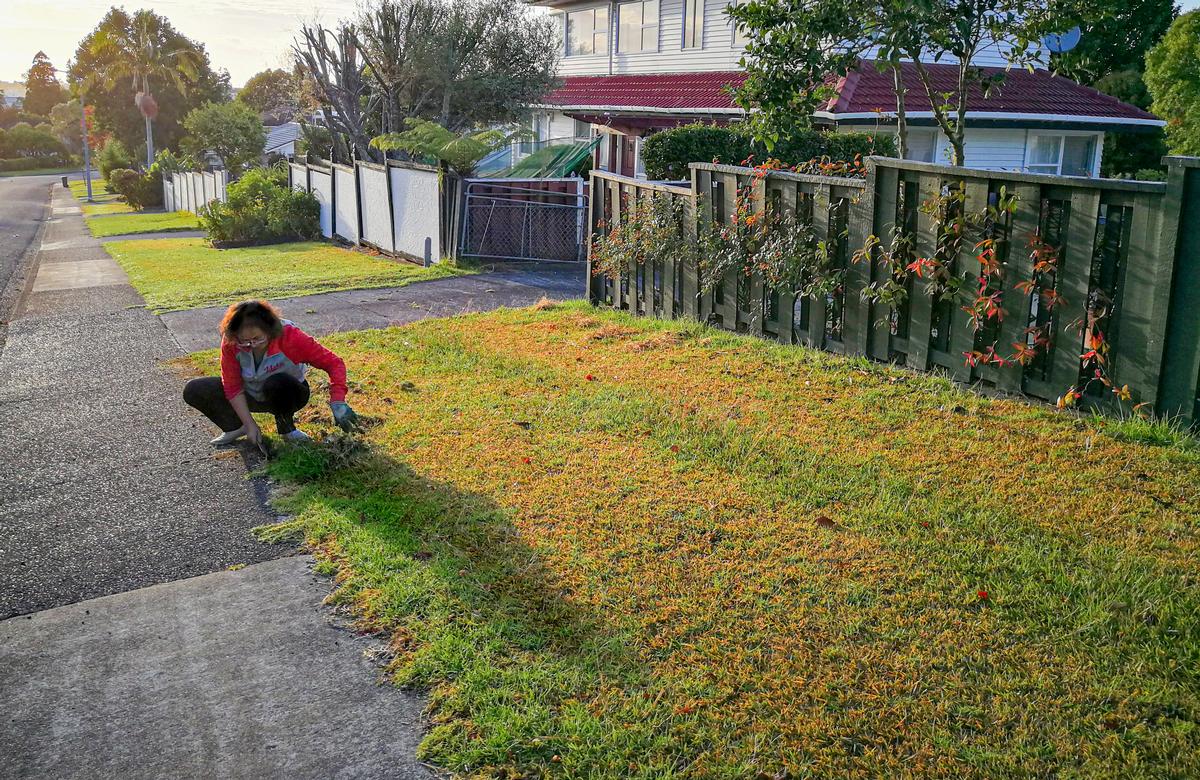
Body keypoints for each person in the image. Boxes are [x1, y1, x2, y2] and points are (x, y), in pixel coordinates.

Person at [183, 300, 358, 447]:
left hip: (287, 393)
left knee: (278, 382)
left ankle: (287, 429)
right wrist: (249, 424)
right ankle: (236, 427)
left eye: (257, 339)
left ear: (270, 331)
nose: (250, 345)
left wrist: (337, 400)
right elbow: (232, 386)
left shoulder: (290, 336)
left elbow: (334, 363)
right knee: (194, 389)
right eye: (244, 341)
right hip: (251, 393)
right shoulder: (232, 341)